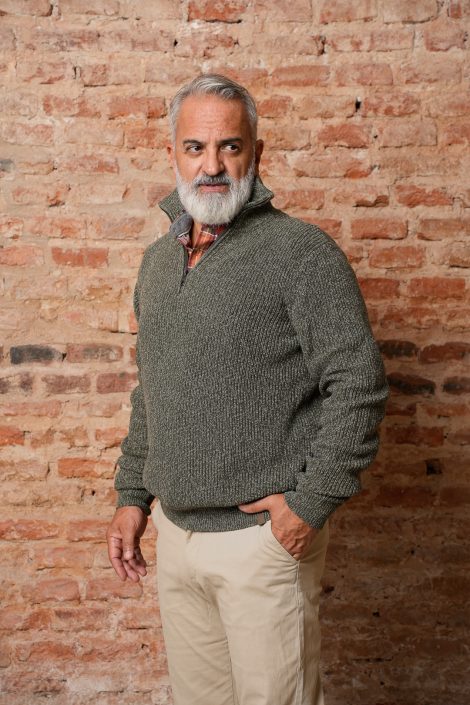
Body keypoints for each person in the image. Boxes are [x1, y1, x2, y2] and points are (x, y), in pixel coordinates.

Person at [106, 74, 388, 705]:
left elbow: (358, 385)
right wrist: (132, 496)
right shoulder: (158, 263)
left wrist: (309, 506)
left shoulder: (300, 253)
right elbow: (153, 389)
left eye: (229, 147)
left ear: (256, 153)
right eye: (195, 147)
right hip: (177, 540)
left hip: (260, 547)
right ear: (173, 153)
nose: (212, 166)